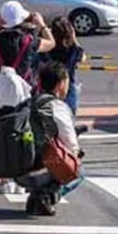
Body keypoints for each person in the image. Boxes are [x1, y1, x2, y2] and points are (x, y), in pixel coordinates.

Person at [0, 0, 55, 195]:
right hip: (23, 94)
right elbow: (51, 44)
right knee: (24, 135)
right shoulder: (29, 41)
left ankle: (4, 179)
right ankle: (22, 178)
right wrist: (42, 25)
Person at [20, 62, 82, 216]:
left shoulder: (27, 103)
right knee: (78, 171)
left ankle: (35, 197)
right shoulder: (56, 106)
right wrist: (76, 154)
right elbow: (69, 139)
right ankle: (46, 196)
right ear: (61, 84)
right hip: (39, 168)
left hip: (16, 169)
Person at [44, 17, 85, 116]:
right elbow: (83, 58)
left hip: (47, 86)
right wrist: (74, 38)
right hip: (68, 85)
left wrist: (44, 31)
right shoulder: (72, 50)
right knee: (69, 117)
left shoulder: (48, 48)